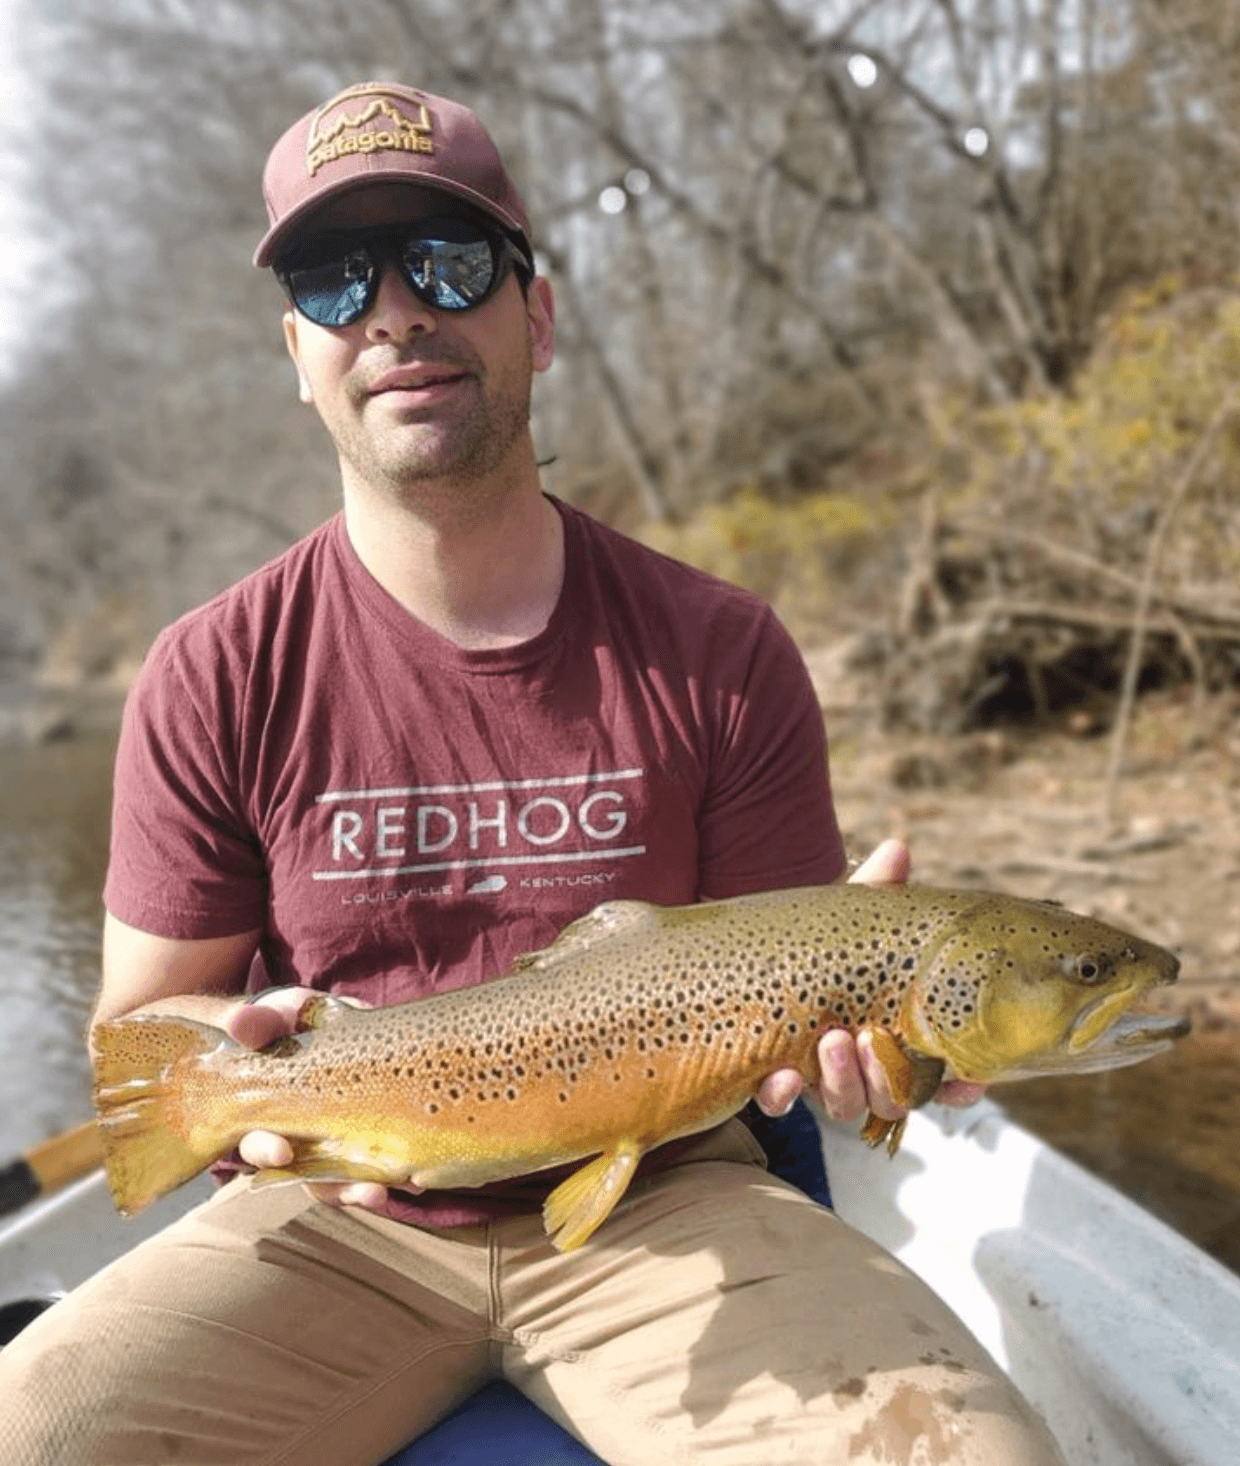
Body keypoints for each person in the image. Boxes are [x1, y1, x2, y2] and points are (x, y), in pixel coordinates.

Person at [0, 81, 1065, 1466]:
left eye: (445, 263)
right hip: (340, 1223)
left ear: (536, 317)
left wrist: (897, 1063)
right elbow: (148, 1032)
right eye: (335, 281)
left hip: (674, 1209)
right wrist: (246, 1060)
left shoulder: (720, 649)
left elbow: (808, 1029)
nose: (392, 314)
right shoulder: (214, 671)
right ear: (296, 351)